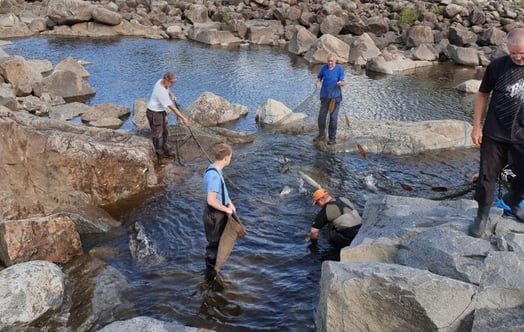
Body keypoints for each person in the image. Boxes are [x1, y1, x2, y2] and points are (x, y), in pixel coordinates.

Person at [469, 27, 524, 237]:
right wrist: (476, 126)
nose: (519, 58)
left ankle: (513, 199)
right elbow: (482, 95)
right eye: (514, 54)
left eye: (523, 53)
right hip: (495, 133)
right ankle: (481, 215)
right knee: (486, 178)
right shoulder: (497, 67)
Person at [202, 143, 236, 277]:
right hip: (214, 215)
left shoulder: (214, 169)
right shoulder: (214, 176)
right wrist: (225, 210)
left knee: (218, 242)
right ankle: (211, 273)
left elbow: (222, 191)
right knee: (214, 244)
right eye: (231, 157)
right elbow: (211, 200)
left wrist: (230, 203)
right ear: (226, 158)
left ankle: (216, 268)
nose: (231, 159)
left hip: (217, 212)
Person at [146, 71, 189, 166]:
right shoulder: (161, 92)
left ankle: (165, 151)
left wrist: (171, 94)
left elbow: (167, 89)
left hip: (160, 112)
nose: (172, 85)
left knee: (165, 132)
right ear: (166, 80)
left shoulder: (161, 81)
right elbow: (172, 108)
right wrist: (183, 118)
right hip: (154, 114)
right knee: (158, 136)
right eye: (171, 83)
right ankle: (159, 159)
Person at [315, 54, 345, 145]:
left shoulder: (339, 69)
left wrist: (341, 83)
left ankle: (332, 138)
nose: (329, 63)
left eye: (331, 61)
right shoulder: (324, 68)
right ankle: (321, 134)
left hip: (335, 97)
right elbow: (319, 77)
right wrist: (318, 82)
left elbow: (343, 82)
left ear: (335, 61)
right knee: (321, 117)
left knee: (333, 118)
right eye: (328, 61)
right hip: (324, 96)